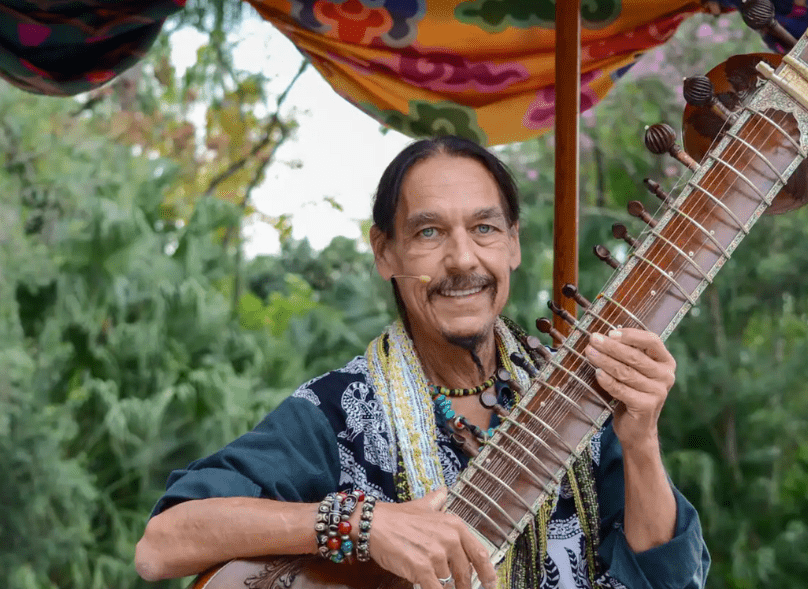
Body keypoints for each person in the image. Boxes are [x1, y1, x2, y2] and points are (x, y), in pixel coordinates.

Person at [135, 136, 710, 589]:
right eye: (429, 232)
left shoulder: (577, 398)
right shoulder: (335, 414)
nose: (463, 259)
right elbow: (161, 544)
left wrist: (640, 441)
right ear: (386, 252)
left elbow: (670, 578)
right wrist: (361, 525)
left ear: (513, 243)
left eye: (484, 228)